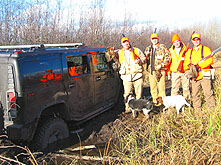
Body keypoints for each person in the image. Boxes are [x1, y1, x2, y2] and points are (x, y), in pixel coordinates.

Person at [184, 32, 216, 111]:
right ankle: (197, 112)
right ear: (192, 41)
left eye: (197, 39)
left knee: (208, 93)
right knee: (195, 95)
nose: (196, 41)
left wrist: (198, 66)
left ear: (200, 40)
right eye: (194, 40)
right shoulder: (189, 52)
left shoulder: (206, 49)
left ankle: (212, 111)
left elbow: (210, 61)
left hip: (204, 74)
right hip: (195, 77)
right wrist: (190, 68)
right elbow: (186, 63)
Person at [118, 37, 146, 113]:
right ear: (122, 44)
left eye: (127, 42)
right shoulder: (119, 53)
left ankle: (138, 108)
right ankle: (128, 108)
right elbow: (115, 62)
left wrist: (140, 60)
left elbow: (144, 59)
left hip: (137, 75)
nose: (126, 44)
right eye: (124, 42)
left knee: (138, 93)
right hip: (126, 77)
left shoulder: (136, 50)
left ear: (129, 42)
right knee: (127, 94)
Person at [144, 33, 171, 104]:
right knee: (153, 89)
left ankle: (163, 103)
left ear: (158, 39)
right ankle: (155, 103)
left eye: (155, 38)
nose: (154, 40)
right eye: (153, 39)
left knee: (161, 89)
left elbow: (168, 58)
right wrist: (146, 57)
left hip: (160, 71)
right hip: (151, 72)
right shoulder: (148, 49)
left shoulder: (163, 47)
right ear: (151, 40)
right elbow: (144, 60)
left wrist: (162, 65)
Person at [168, 34, 190, 101]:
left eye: (177, 41)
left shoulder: (186, 49)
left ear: (180, 41)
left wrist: (185, 66)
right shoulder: (170, 50)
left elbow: (189, 60)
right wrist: (168, 73)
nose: (176, 43)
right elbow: (169, 62)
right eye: (174, 42)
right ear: (173, 43)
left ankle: (187, 102)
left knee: (186, 88)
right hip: (175, 72)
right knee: (174, 89)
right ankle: (174, 104)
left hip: (184, 72)